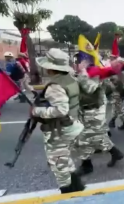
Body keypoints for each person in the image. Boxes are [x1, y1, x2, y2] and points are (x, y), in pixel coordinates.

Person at [31, 48, 85, 193]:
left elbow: (61, 110)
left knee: (58, 163)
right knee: (64, 157)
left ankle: (68, 192)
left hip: (60, 129)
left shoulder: (55, 85)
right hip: (73, 124)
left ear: (50, 67)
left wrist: (37, 111)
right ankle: (77, 187)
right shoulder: (71, 78)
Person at [75, 59, 124, 176]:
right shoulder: (90, 73)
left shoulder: (94, 73)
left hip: (94, 111)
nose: (78, 64)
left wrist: (82, 72)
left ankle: (86, 165)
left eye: (80, 62)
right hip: (88, 110)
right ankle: (115, 153)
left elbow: (89, 88)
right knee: (96, 136)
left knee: (84, 138)